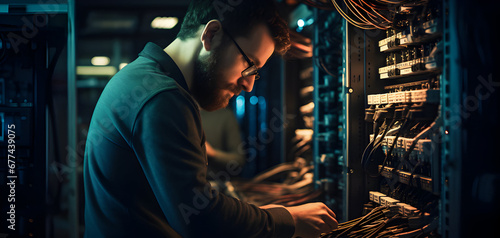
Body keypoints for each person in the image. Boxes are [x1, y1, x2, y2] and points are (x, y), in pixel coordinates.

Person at [83, 0, 338, 237]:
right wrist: (287, 219)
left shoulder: (145, 79)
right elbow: (199, 217)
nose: (249, 85)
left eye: (256, 73)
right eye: (249, 64)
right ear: (211, 35)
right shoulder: (162, 97)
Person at [200, 108, 246, 175]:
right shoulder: (183, 113)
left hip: (216, 181)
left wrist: (212, 153)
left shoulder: (225, 115)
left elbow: (239, 160)